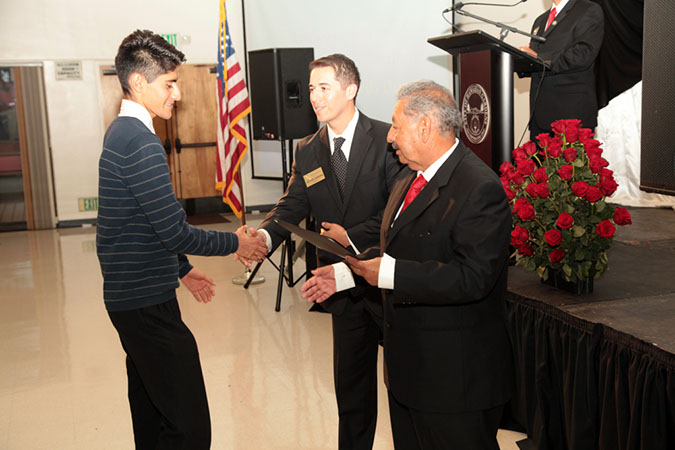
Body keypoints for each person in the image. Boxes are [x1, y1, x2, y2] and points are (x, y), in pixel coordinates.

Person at [302, 80, 514, 449]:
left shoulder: (478, 188)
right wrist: (345, 274)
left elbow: (473, 278)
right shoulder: (406, 180)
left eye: (397, 126)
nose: (390, 137)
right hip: (408, 375)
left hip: (453, 382)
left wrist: (386, 272)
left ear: (426, 127)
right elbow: (395, 252)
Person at [97, 29, 267, 449]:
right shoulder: (140, 143)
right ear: (138, 82)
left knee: (153, 411)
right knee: (188, 424)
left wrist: (182, 270)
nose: (176, 94)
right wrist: (237, 244)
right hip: (145, 304)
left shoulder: (120, 133)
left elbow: (142, 224)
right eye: (168, 84)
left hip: (133, 297)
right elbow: (173, 229)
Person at [243, 54, 402, 449]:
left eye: (324, 87)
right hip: (340, 288)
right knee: (351, 393)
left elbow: (398, 211)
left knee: (404, 388)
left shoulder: (388, 139)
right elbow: (293, 205)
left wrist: (352, 235)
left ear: (351, 90)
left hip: (390, 284)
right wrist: (263, 239)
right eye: (311, 88)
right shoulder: (308, 149)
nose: (314, 97)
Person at [518, 0, 604, 140]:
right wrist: (517, 61)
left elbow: (583, 55)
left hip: (570, 118)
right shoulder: (540, 20)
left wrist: (539, 57)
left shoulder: (588, 10)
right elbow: (537, 64)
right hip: (539, 120)